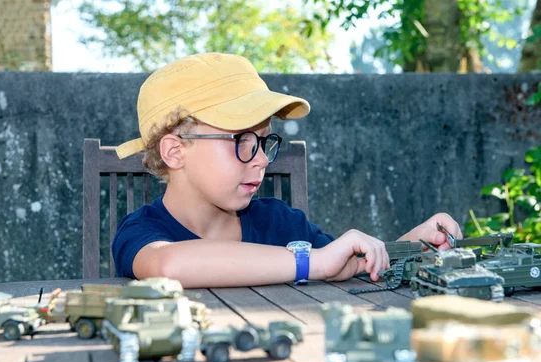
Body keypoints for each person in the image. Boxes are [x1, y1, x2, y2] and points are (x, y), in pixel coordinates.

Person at [112, 52, 462, 288]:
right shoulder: (143, 231)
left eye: (264, 142)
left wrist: (412, 244)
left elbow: (345, 265)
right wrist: (313, 262)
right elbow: (167, 266)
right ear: (175, 151)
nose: (262, 159)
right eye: (242, 139)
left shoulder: (282, 223)